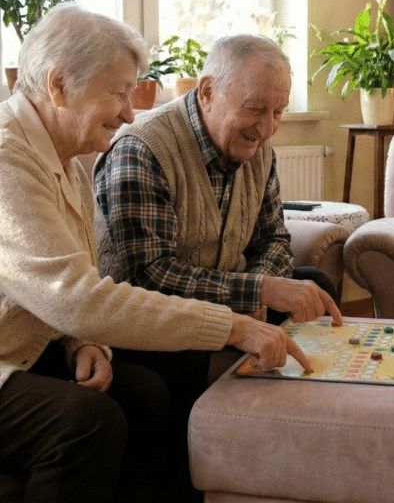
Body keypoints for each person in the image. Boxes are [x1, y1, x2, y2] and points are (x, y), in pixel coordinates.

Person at [0, 3, 309, 503]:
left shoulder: (63, 163)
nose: (128, 111)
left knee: (143, 395)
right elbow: (75, 297)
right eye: (117, 92)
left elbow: (57, 285)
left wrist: (80, 343)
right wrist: (235, 325)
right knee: (84, 424)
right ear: (57, 84)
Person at [94, 33, 343, 499]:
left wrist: (261, 286)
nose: (269, 128)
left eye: (279, 111)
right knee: (180, 362)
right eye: (255, 109)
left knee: (314, 285)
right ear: (207, 91)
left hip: (226, 297)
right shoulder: (142, 150)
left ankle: (297, 454)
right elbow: (151, 276)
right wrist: (259, 293)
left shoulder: (259, 148)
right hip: (147, 320)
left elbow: (274, 238)